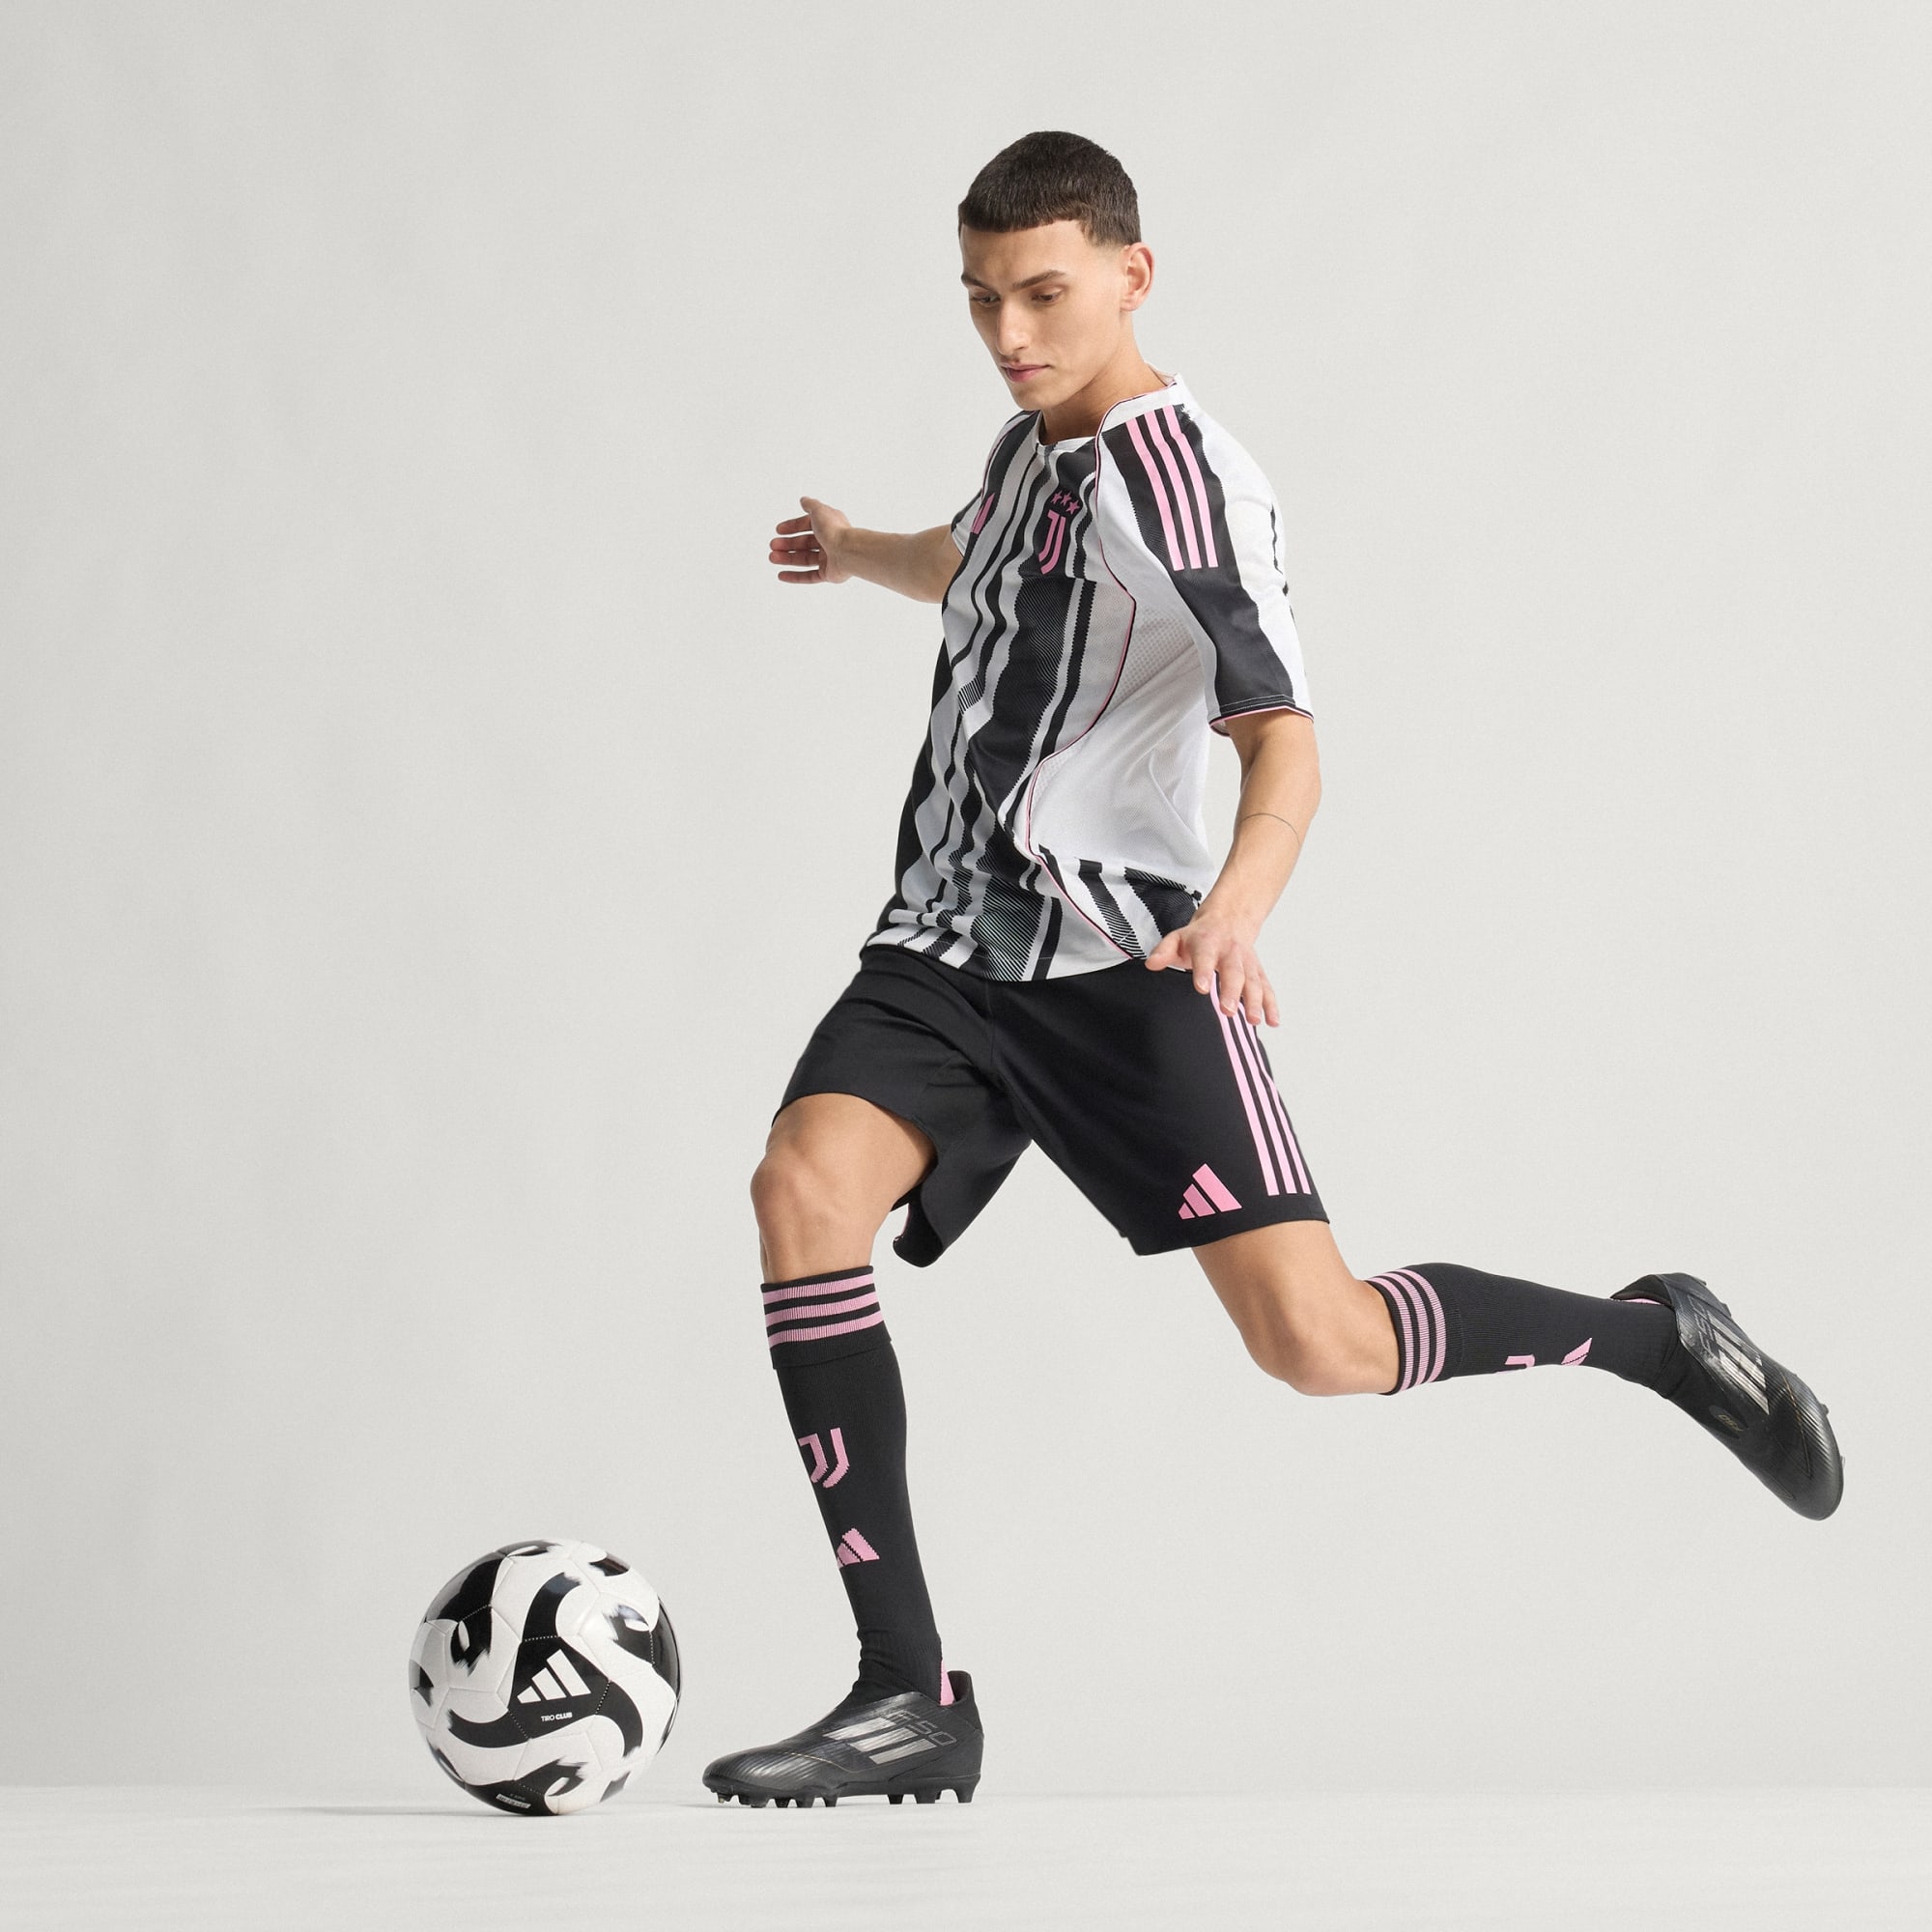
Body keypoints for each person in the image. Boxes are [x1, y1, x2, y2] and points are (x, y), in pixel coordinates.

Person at [701, 130, 1842, 1810]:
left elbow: (1283, 736)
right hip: (944, 944)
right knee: (801, 1187)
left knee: (1319, 1343)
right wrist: (859, 546)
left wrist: (1238, 908)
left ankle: (1654, 1338)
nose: (1009, 333)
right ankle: (907, 1692)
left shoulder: (1190, 484)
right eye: (982, 298)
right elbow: (977, 561)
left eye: (1043, 295)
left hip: (1123, 957)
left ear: (1133, 275)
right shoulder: (1030, 446)